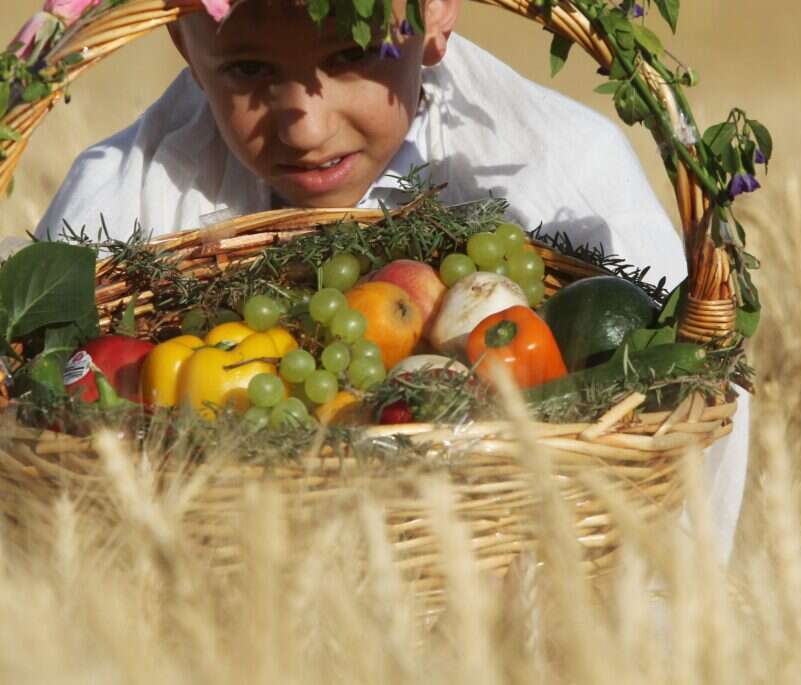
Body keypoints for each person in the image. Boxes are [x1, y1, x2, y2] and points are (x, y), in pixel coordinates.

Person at [34, 0, 749, 561]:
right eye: (249, 71)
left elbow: (683, 435)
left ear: (435, 13)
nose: (307, 127)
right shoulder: (124, 205)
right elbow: (44, 451)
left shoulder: (557, 178)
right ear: (186, 42)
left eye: (349, 55)